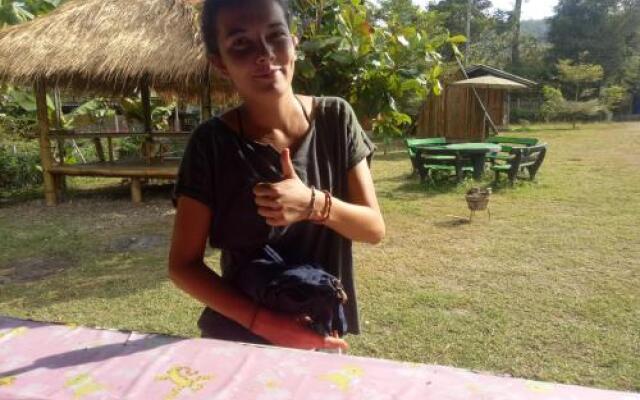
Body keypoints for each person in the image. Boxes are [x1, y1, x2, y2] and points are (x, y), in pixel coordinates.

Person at [168, 0, 385, 352]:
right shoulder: (211, 144)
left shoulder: (336, 119)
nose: (264, 54)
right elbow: (183, 265)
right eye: (241, 43)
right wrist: (269, 326)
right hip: (239, 341)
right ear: (220, 63)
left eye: (275, 35)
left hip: (322, 331)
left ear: (294, 43)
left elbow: (373, 228)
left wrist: (312, 203)